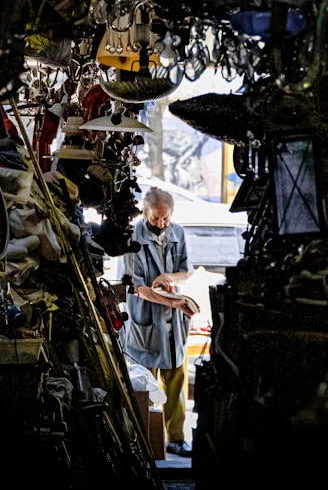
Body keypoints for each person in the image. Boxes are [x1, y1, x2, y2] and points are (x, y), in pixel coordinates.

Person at [122, 186, 196, 458]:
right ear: (145, 212)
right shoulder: (132, 238)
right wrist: (175, 302)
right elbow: (136, 287)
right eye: (156, 219)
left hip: (173, 324)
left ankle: (176, 438)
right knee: (146, 387)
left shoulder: (178, 232)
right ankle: (145, 440)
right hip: (146, 322)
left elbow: (185, 273)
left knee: (176, 382)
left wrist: (169, 278)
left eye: (166, 218)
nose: (161, 224)